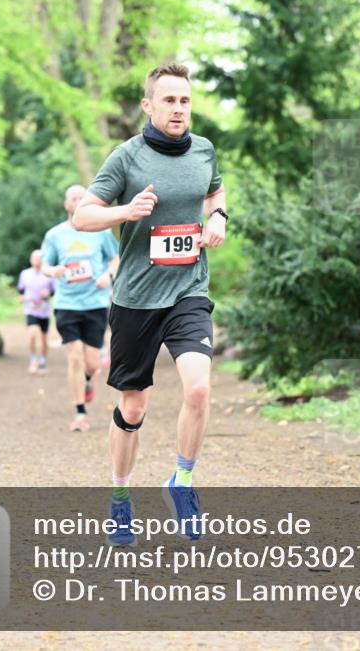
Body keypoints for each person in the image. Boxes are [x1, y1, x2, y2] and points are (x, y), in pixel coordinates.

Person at [71, 62, 227, 546]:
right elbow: (82, 217)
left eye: (185, 100)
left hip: (188, 290)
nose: (178, 109)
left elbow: (215, 190)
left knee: (198, 388)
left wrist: (218, 216)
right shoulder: (126, 157)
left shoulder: (204, 150)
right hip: (137, 299)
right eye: (169, 100)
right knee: (134, 405)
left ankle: (182, 480)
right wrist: (127, 210)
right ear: (148, 105)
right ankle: (120, 498)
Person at [40, 185, 120, 432]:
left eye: (81, 198)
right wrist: (52, 271)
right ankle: (80, 413)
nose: (77, 201)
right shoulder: (55, 235)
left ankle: (87, 379)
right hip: (67, 304)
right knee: (74, 356)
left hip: (95, 303)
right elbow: (44, 264)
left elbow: (115, 258)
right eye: (73, 198)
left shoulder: (101, 232)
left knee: (92, 363)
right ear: (66, 204)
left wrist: (108, 275)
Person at [16, 249, 54, 375]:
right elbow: (21, 289)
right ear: (31, 260)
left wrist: (49, 293)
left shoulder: (49, 274)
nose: (37, 261)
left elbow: (54, 291)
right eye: (35, 258)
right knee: (33, 334)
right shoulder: (25, 274)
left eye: (40, 258)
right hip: (30, 309)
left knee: (43, 339)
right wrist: (21, 297)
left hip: (44, 311)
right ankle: (33, 360)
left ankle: (43, 361)